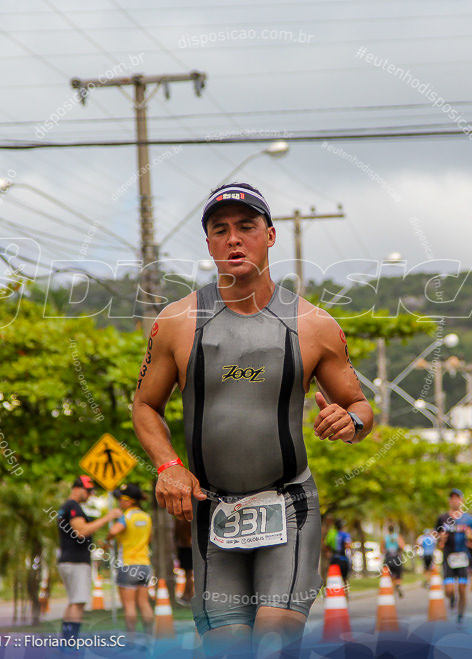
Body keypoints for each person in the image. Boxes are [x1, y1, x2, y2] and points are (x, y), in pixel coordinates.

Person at [131, 183, 374, 656]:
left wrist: (352, 423)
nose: (234, 239)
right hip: (212, 511)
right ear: (208, 244)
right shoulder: (176, 322)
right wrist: (167, 465)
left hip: (289, 506)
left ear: (270, 236)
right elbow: (144, 406)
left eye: (246, 227)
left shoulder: (314, 325)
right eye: (220, 230)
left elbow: (361, 407)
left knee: (275, 640)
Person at [54, 476, 121, 644]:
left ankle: (66, 641)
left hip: (68, 560)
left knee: (73, 602)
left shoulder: (66, 507)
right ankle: (71, 643)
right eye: (88, 490)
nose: (90, 494)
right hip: (76, 561)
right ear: (76, 488)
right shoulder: (72, 506)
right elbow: (81, 531)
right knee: (78, 602)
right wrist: (108, 517)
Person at [107, 483, 152, 643]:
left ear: (130, 501)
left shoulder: (126, 517)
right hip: (145, 565)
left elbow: (113, 531)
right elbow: (149, 538)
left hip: (128, 565)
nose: (119, 502)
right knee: (144, 603)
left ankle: (131, 641)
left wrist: (108, 539)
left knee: (129, 606)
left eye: (121, 499)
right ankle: (148, 637)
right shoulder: (146, 517)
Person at [435, 489, 472, 624]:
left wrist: (471, 536)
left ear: (462, 500)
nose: (455, 500)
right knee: (448, 590)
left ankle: (460, 614)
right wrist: (440, 539)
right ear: (449, 501)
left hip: (463, 556)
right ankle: (452, 598)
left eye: (457, 498)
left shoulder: (469, 519)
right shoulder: (442, 519)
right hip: (448, 556)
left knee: (462, 588)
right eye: (452, 498)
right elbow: (436, 539)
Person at [325, 519, 353, 587]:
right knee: (345, 579)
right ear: (343, 526)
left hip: (333, 558)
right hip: (342, 558)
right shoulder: (345, 535)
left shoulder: (331, 534)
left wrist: (328, 553)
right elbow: (348, 546)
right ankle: (345, 595)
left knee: (333, 576)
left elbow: (326, 545)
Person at [173, 516, 194, 605]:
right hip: (185, 548)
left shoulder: (184, 520)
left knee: (188, 574)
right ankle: (188, 594)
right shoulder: (182, 520)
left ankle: (188, 594)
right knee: (188, 574)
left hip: (186, 548)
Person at [381, 525, 405, 598]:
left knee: (390, 574)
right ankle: (397, 585)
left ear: (388, 530)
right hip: (396, 557)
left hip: (388, 558)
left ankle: (392, 588)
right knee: (398, 574)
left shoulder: (385, 538)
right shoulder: (397, 537)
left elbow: (381, 549)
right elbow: (402, 546)